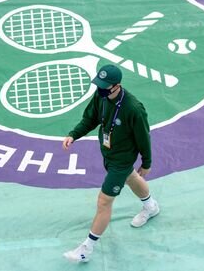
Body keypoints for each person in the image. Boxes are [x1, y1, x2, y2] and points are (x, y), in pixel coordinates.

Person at [62, 64, 160, 263]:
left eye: (105, 87)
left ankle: (86, 249)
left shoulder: (133, 108)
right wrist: (74, 135)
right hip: (108, 153)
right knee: (132, 177)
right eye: (99, 85)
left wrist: (147, 162)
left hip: (122, 159)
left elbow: (144, 138)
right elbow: (90, 119)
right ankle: (151, 206)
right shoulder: (101, 97)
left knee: (104, 202)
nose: (101, 90)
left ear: (117, 86)